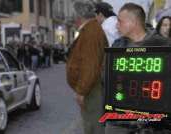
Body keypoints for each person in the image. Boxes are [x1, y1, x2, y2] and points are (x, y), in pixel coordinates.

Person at [106, 3, 171, 134]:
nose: (116, 25)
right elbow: (108, 80)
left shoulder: (162, 46)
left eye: (120, 21)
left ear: (133, 22)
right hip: (118, 122)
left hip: (154, 125)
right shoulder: (117, 46)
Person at [66, 1, 108, 134]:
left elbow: (91, 65)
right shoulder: (90, 30)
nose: (72, 18)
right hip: (91, 87)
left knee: (93, 126)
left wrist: (81, 91)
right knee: (91, 124)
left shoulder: (91, 32)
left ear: (78, 16)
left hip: (92, 89)